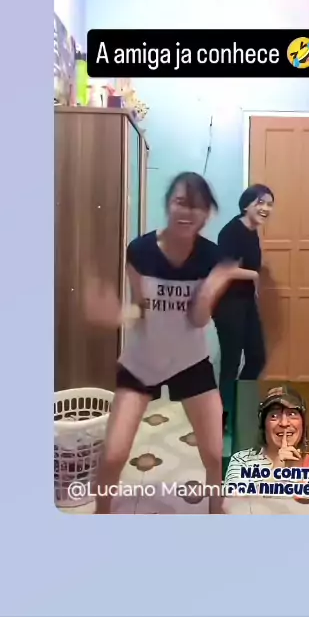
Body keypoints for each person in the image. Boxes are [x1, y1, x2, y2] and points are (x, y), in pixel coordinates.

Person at [84, 171, 256, 514]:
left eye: (196, 205)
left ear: (206, 214)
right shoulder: (140, 251)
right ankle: (100, 515)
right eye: (180, 201)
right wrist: (118, 315)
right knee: (114, 453)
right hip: (141, 362)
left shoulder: (211, 257)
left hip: (190, 362)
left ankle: (216, 511)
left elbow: (199, 319)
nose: (187, 211)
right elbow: (141, 307)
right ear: (168, 205)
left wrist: (210, 288)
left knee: (213, 453)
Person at [213, 184, 274, 432]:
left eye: (269, 204)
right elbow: (225, 270)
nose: (266, 208)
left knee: (257, 357)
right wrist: (255, 276)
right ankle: (223, 418)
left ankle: (238, 406)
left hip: (245, 302)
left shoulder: (252, 232)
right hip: (227, 304)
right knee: (230, 363)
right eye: (261, 202)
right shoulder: (231, 232)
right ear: (246, 205)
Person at [224, 384, 309, 488]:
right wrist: (275, 473)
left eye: (292, 414)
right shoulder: (241, 461)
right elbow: (233, 499)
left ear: (303, 423)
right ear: (264, 424)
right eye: (274, 416)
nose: (284, 423)